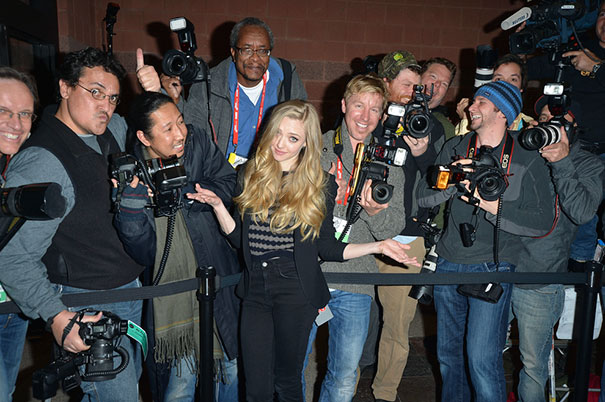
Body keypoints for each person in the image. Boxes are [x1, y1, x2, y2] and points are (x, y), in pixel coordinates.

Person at [190, 100, 416, 402]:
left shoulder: (320, 184)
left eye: (292, 138)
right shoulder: (249, 174)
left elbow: (327, 247)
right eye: (277, 133)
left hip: (295, 291)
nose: (280, 143)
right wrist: (219, 206)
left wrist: (379, 246)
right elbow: (241, 241)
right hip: (255, 290)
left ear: (306, 143)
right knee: (255, 387)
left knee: (286, 382)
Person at [0, 47, 144, 401]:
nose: (106, 106)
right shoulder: (42, 161)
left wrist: (159, 95)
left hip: (128, 292)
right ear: (65, 87)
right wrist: (57, 317)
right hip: (86, 303)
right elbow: (13, 257)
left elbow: (153, 131)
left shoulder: (112, 129)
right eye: (95, 92)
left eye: (113, 97)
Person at [418, 80, 556, 402]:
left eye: (481, 102)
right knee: (448, 358)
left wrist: (492, 206)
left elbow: (542, 222)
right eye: (474, 101)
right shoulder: (456, 146)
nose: (471, 107)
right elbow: (422, 198)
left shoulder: (526, 155)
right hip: (448, 261)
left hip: (494, 264)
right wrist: (451, 182)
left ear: (502, 113)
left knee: (481, 359)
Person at [112, 92, 240, 401]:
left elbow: (230, 182)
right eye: (167, 128)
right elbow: (143, 252)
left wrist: (189, 194)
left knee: (231, 370)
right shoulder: (132, 173)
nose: (180, 133)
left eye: (180, 122)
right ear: (144, 137)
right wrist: (130, 210)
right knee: (180, 381)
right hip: (171, 296)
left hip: (216, 273)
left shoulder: (197, 142)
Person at [303, 74, 410, 402]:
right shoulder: (314, 148)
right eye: (359, 106)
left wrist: (374, 212)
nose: (365, 116)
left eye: (375, 109)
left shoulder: (389, 162)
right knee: (293, 366)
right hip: (308, 274)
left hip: (356, 279)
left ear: (383, 115)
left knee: (345, 374)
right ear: (343, 105)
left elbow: (392, 227)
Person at [511, 97, 603, 402]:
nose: (547, 125)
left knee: (533, 367)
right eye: (543, 119)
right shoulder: (525, 149)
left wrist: (561, 161)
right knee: (483, 355)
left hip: (541, 277)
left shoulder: (589, 163)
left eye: (558, 121)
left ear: (574, 128)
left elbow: (582, 212)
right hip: (500, 267)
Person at [371, 51, 446, 402]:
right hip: (359, 234)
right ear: (385, 84)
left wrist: (423, 152)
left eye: (417, 86)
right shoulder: (367, 115)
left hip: (406, 238)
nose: (413, 92)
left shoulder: (429, 124)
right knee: (350, 318)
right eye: (405, 85)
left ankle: (385, 393)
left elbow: (439, 182)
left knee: (397, 325)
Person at [181, 17, 307, 166]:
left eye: (262, 51)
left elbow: (304, 129)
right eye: (247, 50)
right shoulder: (207, 85)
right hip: (220, 171)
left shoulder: (287, 79)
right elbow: (192, 135)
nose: (255, 58)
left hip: (271, 171)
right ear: (234, 53)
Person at [0, 66, 38, 400]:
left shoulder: (15, 165)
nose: (16, 123)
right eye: (4, 111)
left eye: (24, 114)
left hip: (12, 303)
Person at [455, 54, 533, 136]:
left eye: (513, 79)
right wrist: (466, 120)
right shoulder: (472, 115)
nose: (505, 84)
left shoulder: (528, 124)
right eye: (499, 79)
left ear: (521, 88)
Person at [421, 57, 457, 140]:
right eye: (433, 76)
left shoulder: (445, 129)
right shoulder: (393, 110)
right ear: (419, 76)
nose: (437, 84)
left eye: (444, 84)